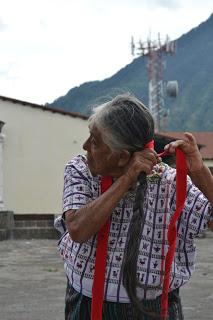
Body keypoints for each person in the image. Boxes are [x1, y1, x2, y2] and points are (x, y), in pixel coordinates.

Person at [56, 94, 213, 320]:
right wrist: (127, 178)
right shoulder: (80, 169)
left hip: (155, 309)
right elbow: (78, 229)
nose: (85, 146)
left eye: (95, 141)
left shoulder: (168, 182)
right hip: (87, 305)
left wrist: (198, 170)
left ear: (120, 157)